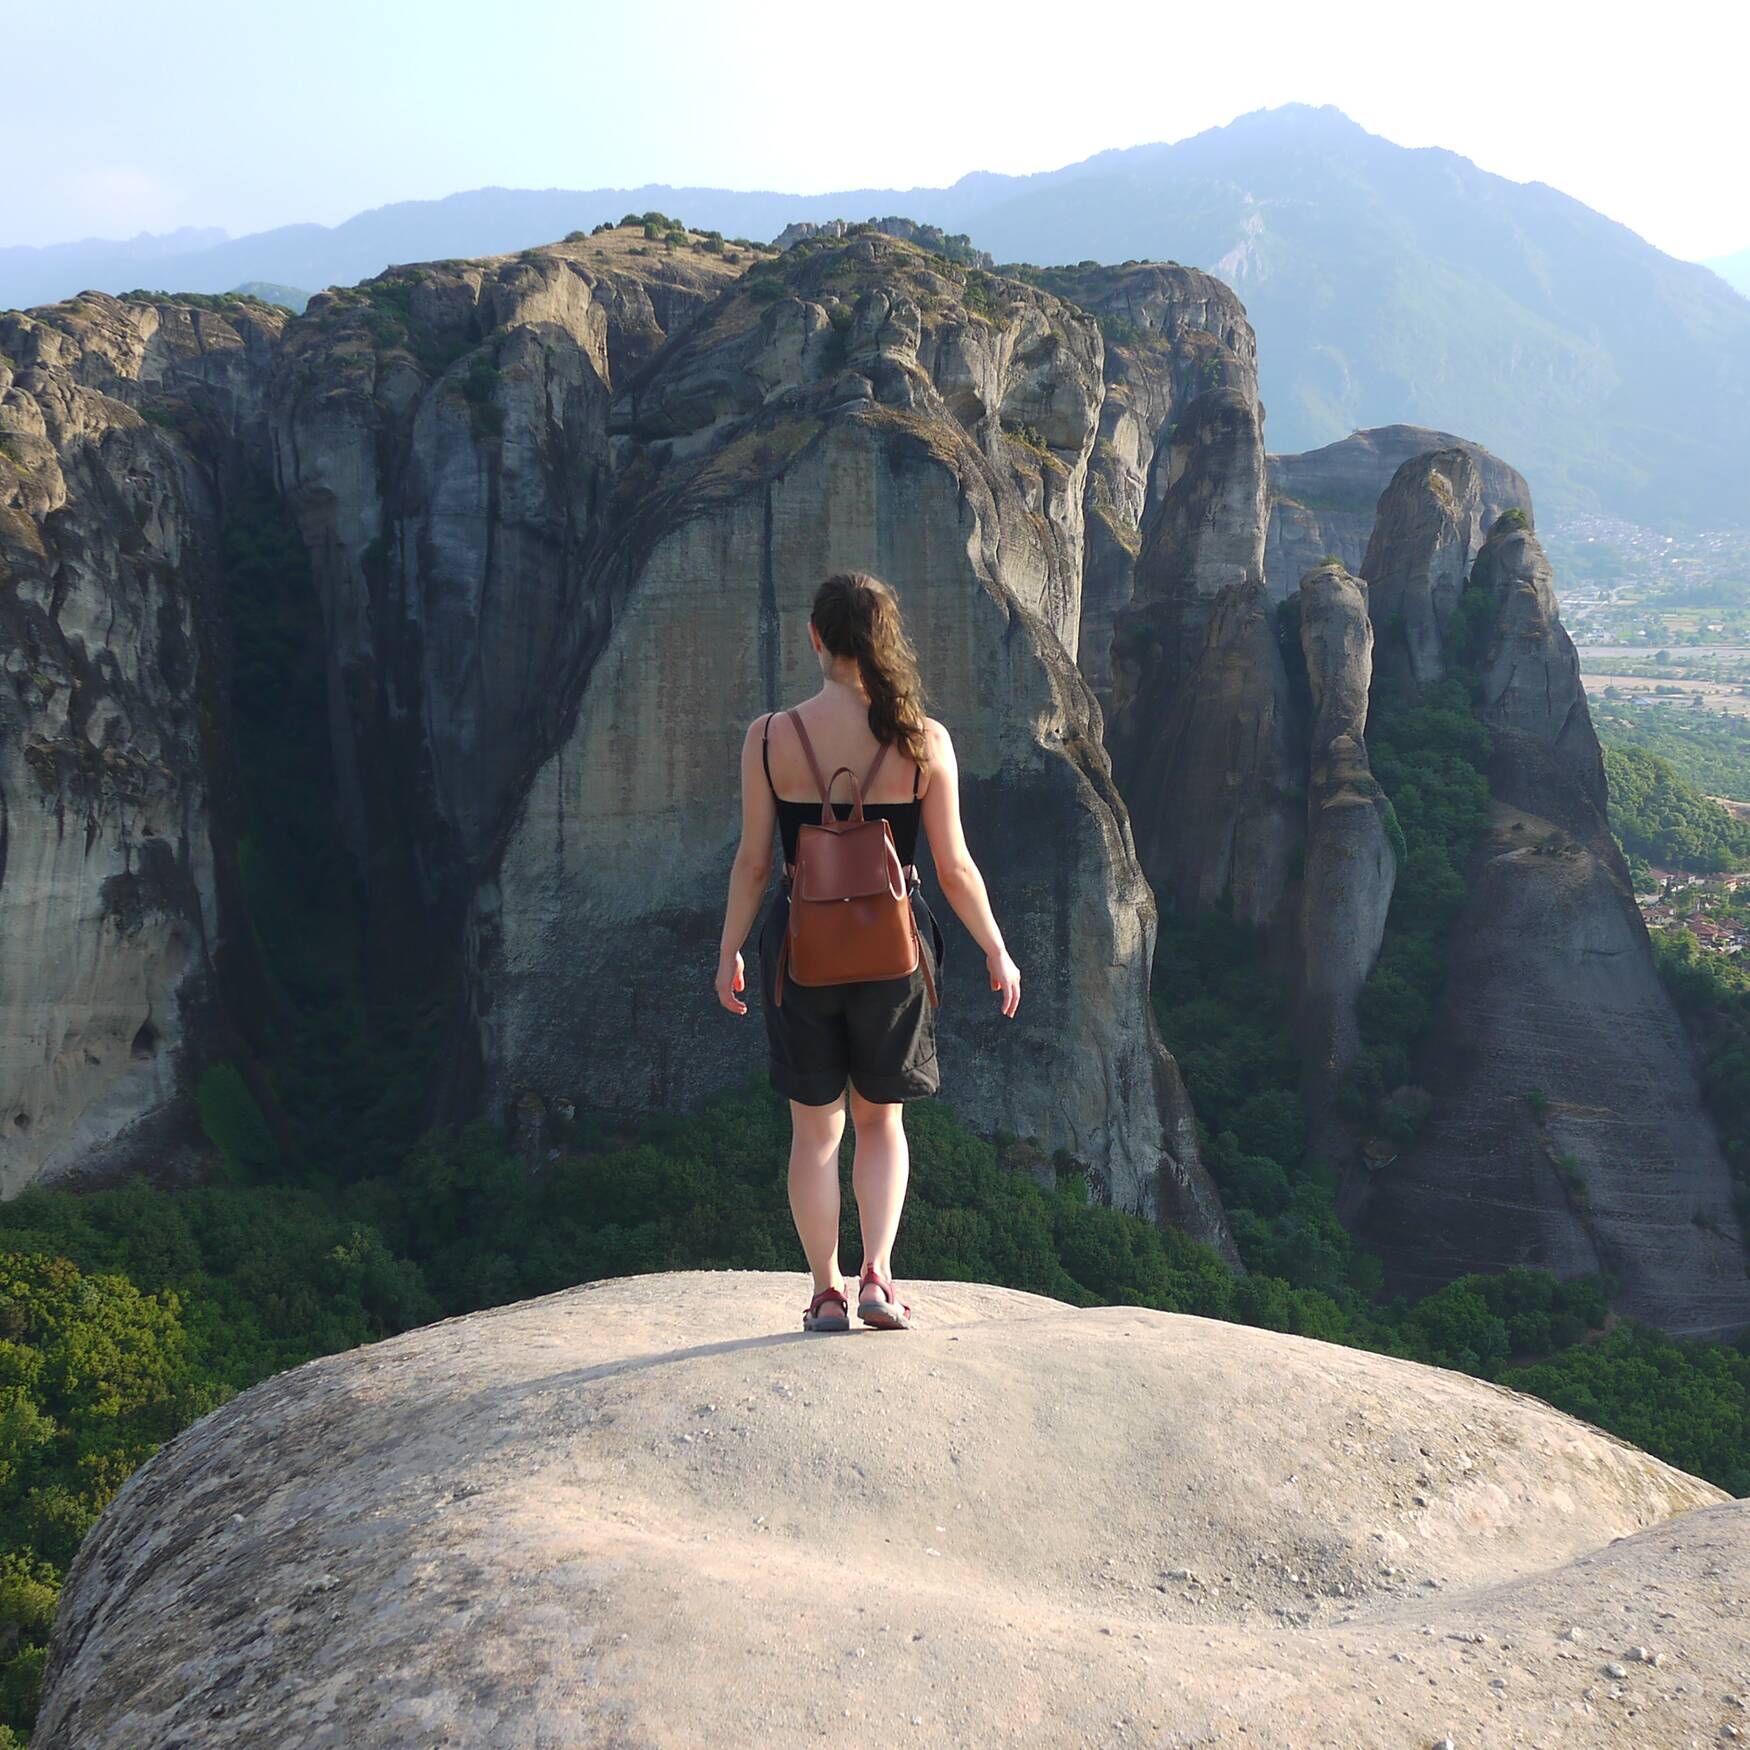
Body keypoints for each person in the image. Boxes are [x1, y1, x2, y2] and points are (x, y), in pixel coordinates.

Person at [715, 571, 1021, 1333]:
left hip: (799, 945)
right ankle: (878, 1278)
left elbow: (754, 862)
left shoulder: (770, 737)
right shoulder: (924, 740)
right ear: (885, 639)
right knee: (881, 1123)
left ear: (815, 637)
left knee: (816, 1131)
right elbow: (953, 867)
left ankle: (825, 1291)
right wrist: (996, 949)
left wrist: (729, 951)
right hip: (895, 952)